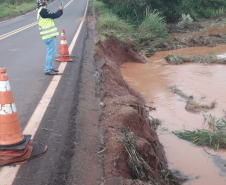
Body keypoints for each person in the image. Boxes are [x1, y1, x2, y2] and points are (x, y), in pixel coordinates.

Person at [36, 0, 63, 75]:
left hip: (47, 36)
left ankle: (50, 68)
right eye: (45, 0)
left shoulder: (40, 11)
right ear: (42, 2)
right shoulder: (43, 11)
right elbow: (55, 15)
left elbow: (52, 16)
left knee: (51, 52)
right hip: (49, 35)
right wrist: (60, 10)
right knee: (51, 53)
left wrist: (60, 11)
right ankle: (48, 69)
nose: (47, 1)